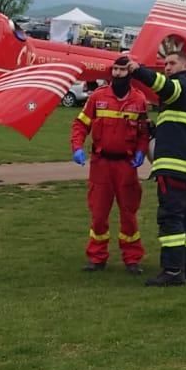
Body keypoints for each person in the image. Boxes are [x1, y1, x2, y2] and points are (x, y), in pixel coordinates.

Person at [123, 48, 186, 287]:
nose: (167, 68)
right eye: (165, 64)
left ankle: (172, 271)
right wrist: (155, 131)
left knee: (170, 218)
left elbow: (166, 87)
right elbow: (180, 129)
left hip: (174, 166)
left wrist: (139, 71)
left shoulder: (183, 86)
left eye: (171, 63)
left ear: (185, 66)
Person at [70, 62, 150, 274]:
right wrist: (77, 147)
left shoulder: (139, 100)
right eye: (114, 69)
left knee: (129, 214)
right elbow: (80, 124)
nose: (117, 73)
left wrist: (142, 151)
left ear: (129, 73)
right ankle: (97, 257)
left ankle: (132, 258)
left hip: (126, 165)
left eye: (122, 70)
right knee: (98, 214)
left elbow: (143, 132)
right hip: (101, 164)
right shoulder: (98, 97)